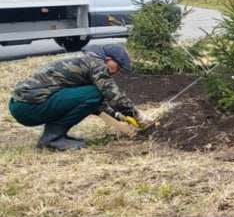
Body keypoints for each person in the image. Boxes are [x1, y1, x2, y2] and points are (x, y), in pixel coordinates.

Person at [7, 44, 140, 151]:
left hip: (20, 105)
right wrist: (137, 115)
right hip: (28, 107)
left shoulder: (84, 61)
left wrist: (118, 116)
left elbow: (90, 102)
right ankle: (52, 139)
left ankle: (56, 137)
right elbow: (112, 96)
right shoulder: (96, 64)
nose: (117, 72)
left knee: (93, 95)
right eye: (118, 67)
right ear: (109, 59)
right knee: (96, 93)